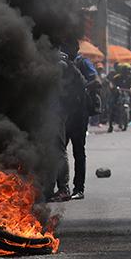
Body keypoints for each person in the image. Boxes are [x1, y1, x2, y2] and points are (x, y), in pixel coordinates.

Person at [54, 40, 98, 202]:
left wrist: (82, 86)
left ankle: (79, 188)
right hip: (65, 114)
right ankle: (61, 188)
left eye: (68, 46)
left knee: (78, 152)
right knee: (59, 151)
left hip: (79, 114)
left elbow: (96, 82)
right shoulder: (60, 63)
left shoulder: (82, 63)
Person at [107, 63, 131, 133]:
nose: (126, 72)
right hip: (118, 94)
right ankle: (110, 126)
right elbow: (112, 84)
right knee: (112, 106)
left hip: (127, 94)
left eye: (127, 70)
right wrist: (114, 88)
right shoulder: (117, 77)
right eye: (124, 70)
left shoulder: (130, 78)